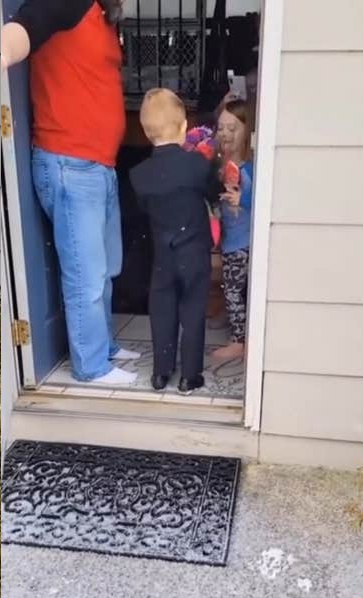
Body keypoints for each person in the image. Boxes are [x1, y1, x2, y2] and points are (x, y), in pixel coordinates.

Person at [1, 0, 141, 385]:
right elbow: (26, 28)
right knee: (87, 273)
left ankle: (104, 346)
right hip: (70, 164)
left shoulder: (101, 12)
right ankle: (92, 367)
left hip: (99, 165)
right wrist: (0, 52)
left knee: (106, 269)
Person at [128, 89, 216, 395]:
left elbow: (143, 208)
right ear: (183, 127)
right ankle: (189, 376)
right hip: (194, 253)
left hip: (163, 256)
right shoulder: (197, 166)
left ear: (146, 131)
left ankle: (160, 373)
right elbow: (213, 193)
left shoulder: (139, 175)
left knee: (162, 306)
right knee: (192, 309)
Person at [210, 99, 254, 361]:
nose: (225, 133)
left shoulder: (249, 169)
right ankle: (233, 323)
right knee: (233, 288)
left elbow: (262, 199)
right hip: (229, 241)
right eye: (221, 127)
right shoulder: (221, 166)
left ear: (246, 131)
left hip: (242, 243)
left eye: (232, 128)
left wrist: (243, 200)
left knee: (234, 291)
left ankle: (239, 341)